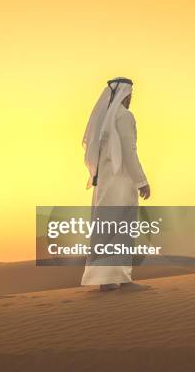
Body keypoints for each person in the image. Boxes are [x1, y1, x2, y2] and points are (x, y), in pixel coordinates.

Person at [80, 77, 150, 291]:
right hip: (120, 182)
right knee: (121, 228)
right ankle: (116, 277)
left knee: (105, 228)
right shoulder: (125, 116)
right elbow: (129, 151)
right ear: (123, 94)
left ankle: (108, 279)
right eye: (129, 94)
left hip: (104, 183)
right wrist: (142, 181)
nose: (130, 98)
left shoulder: (105, 120)